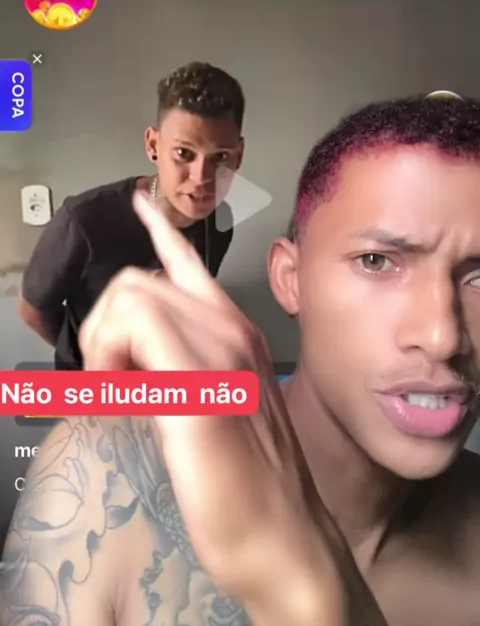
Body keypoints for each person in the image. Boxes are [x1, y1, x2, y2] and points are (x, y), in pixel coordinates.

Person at [3, 93, 480, 626]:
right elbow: (33, 309)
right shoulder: (100, 473)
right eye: (376, 261)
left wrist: (308, 596)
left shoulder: (218, 222)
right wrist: (90, 379)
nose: (442, 336)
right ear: (289, 279)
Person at [18, 61, 245, 370]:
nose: (201, 178)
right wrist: (90, 349)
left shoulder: (221, 221)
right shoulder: (83, 220)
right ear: (153, 146)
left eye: (220, 157)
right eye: (184, 153)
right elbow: (33, 311)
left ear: (239, 155)